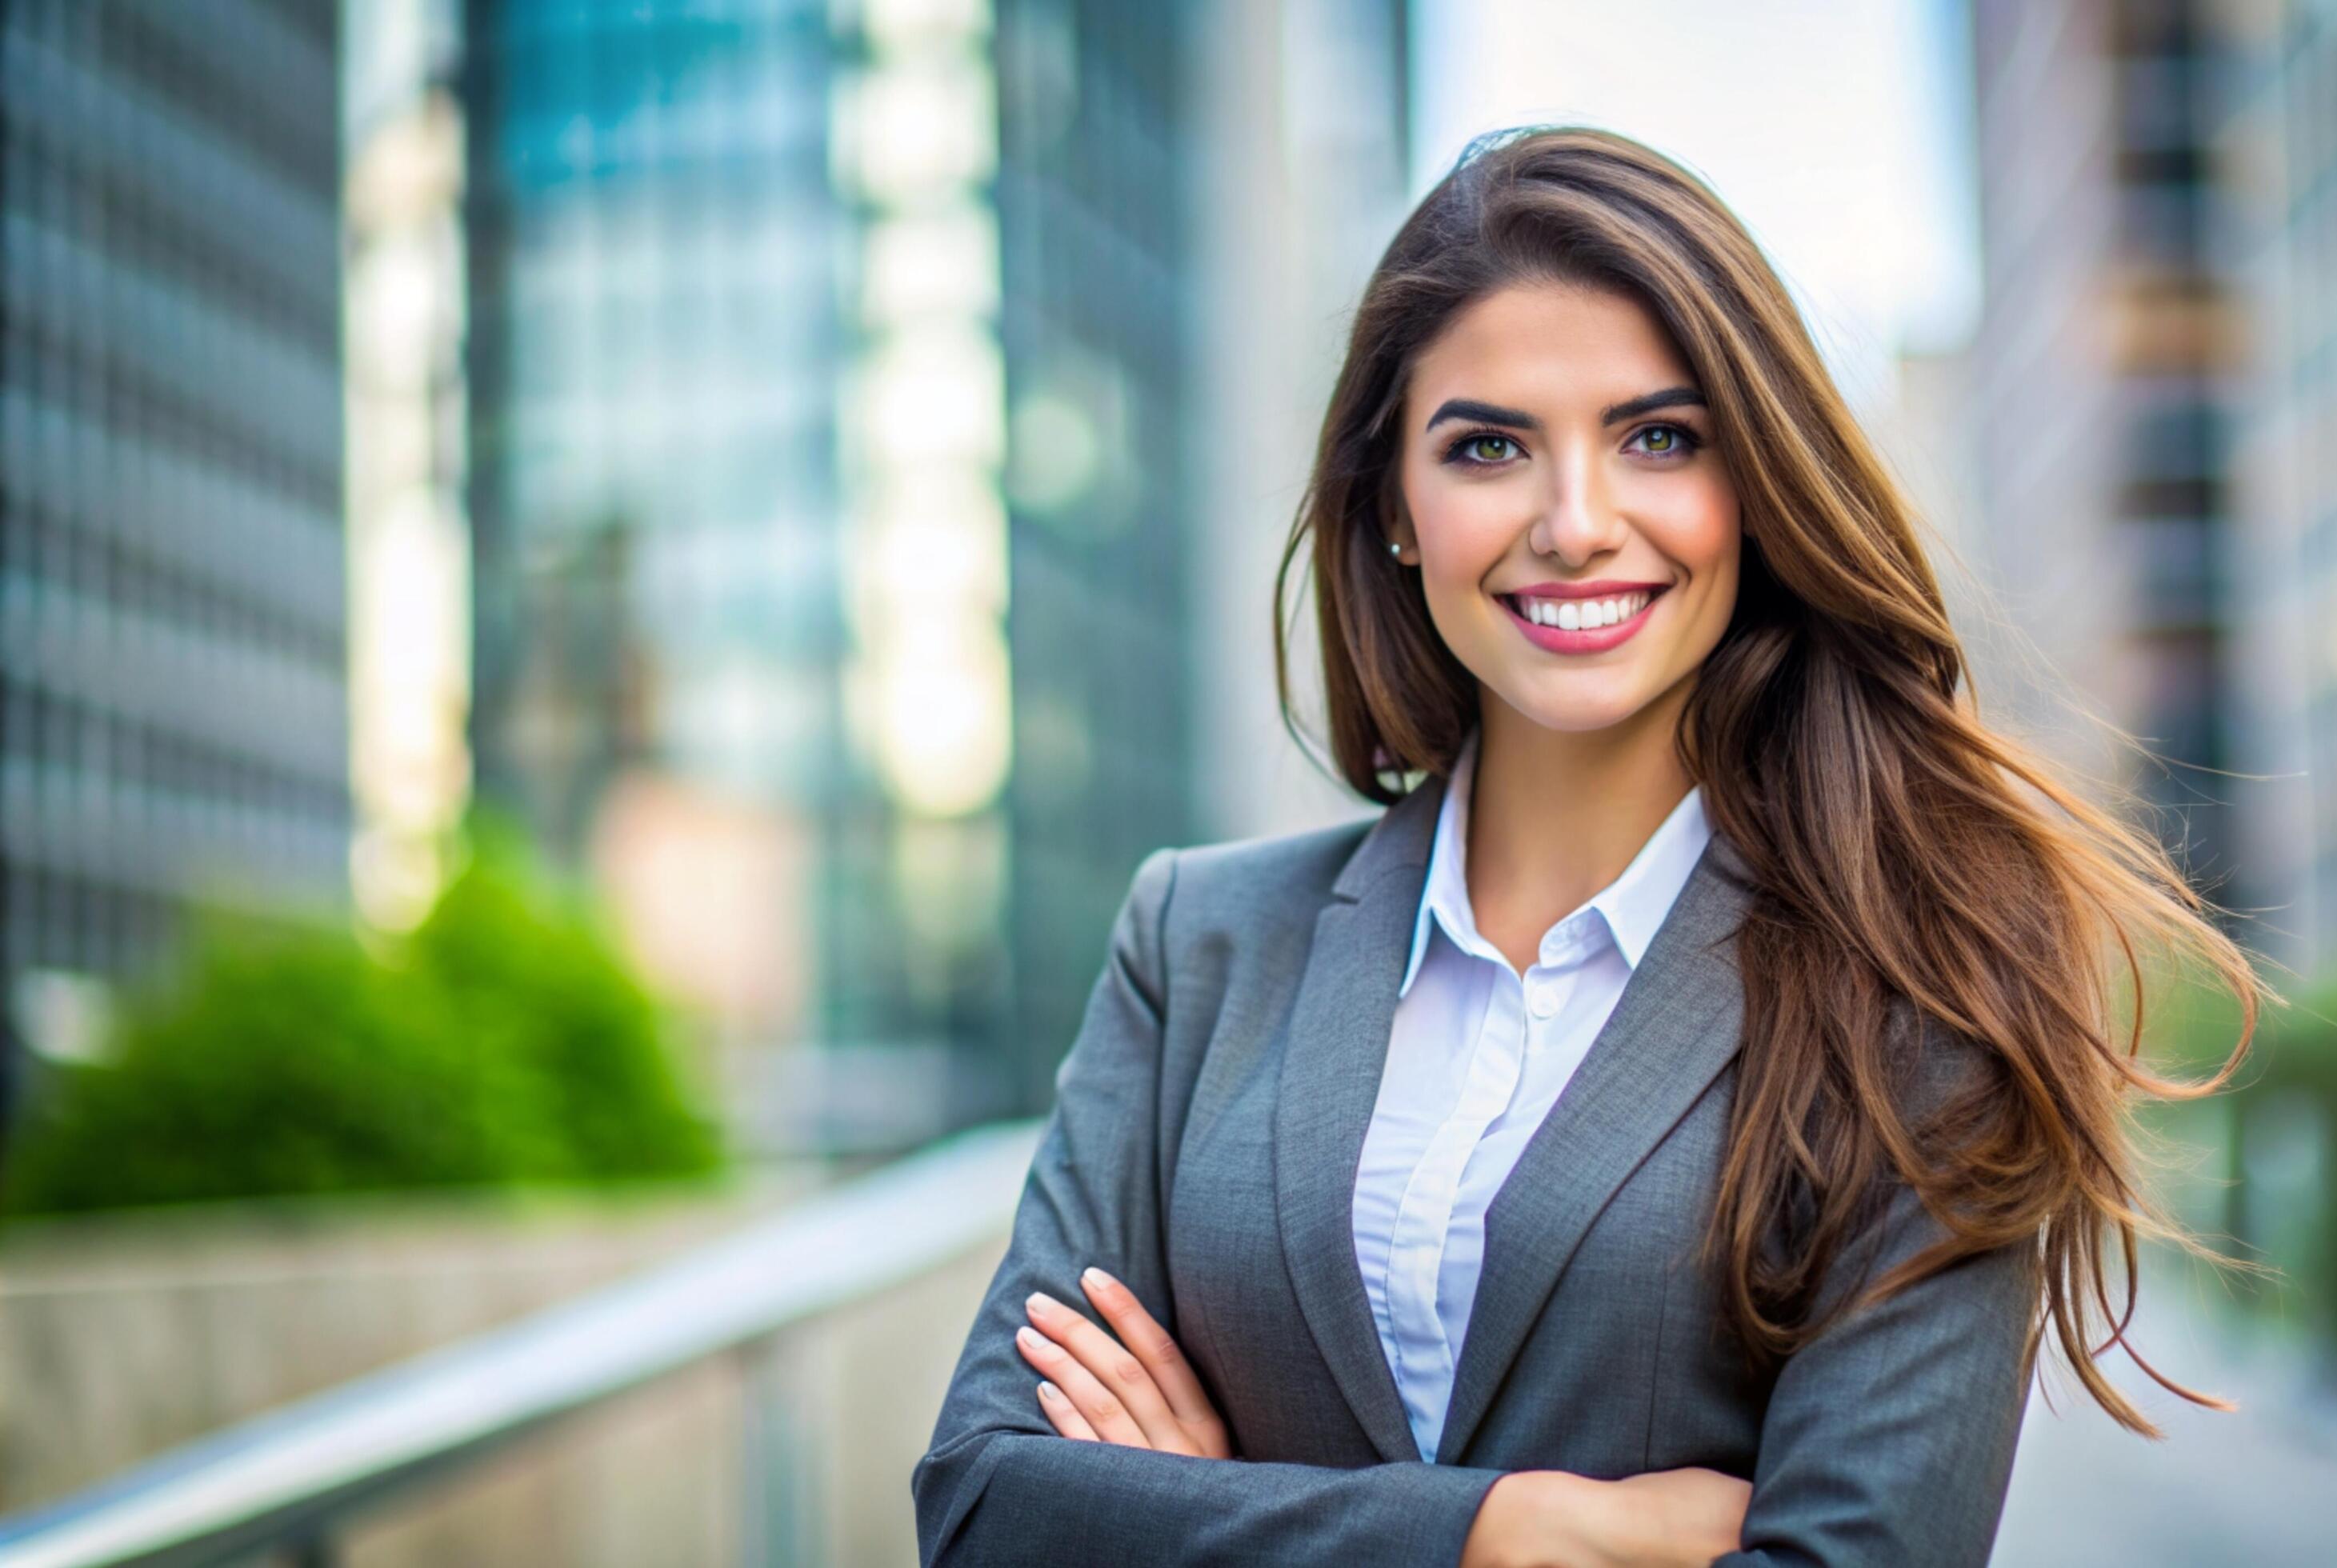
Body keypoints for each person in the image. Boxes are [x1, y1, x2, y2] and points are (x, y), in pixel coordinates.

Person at [913, 126, 2266, 1566]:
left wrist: (1200, 1518)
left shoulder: (1925, 983)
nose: (1575, 523)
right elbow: (990, 1509)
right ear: (1391, 507)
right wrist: (1508, 1537)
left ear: (1755, 487)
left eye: (1658, 439)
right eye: (1489, 446)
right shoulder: (1198, 942)